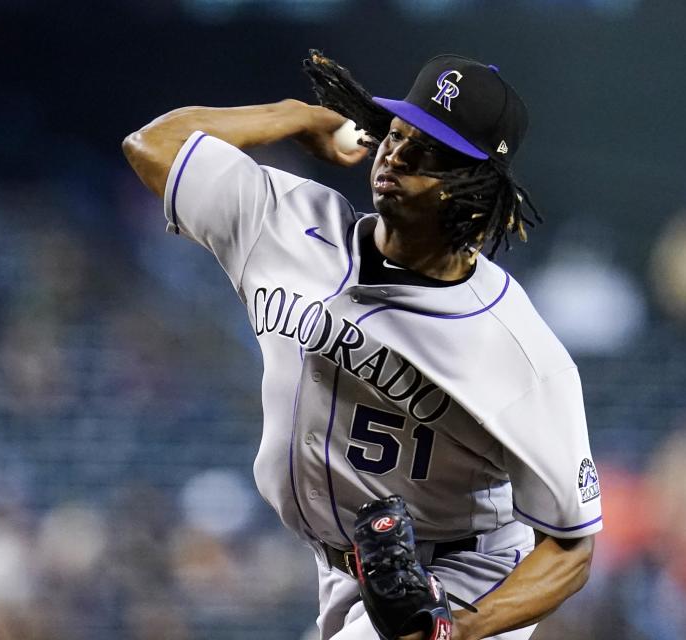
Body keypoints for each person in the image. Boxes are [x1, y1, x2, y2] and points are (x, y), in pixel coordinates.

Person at [122, 51, 602, 640]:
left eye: (423, 152)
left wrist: (458, 627)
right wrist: (295, 116)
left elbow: (572, 548)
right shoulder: (287, 224)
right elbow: (153, 145)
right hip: (344, 568)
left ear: (470, 187)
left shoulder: (518, 350)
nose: (395, 156)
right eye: (394, 136)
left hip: (464, 575)